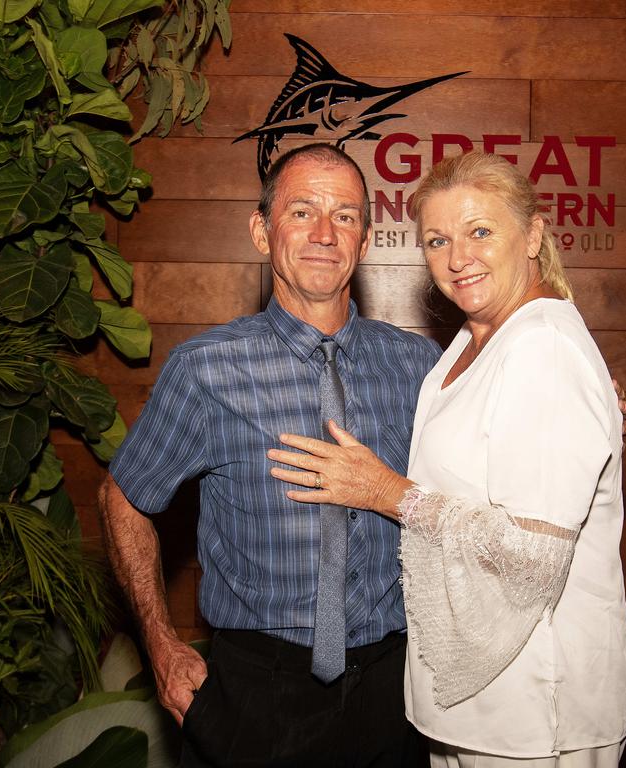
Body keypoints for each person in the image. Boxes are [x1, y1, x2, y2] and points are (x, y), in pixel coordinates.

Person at [268, 151, 626, 767]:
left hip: (537, 707)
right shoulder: (470, 341)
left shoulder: (541, 346)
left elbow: (532, 554)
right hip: (474, 699)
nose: (458, 257)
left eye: (481, 232)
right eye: (437, 239)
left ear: (534, 236)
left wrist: (385, 492)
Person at [99, 143, 442, 767]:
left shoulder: (417, 366)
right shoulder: (207, 370)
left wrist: (590, 410)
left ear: (364, 240)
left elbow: (499, 442)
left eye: (345, 215)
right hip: (256, 697)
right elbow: (123, 497)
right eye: (302, 211)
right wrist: (161, 645)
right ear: (262, 231)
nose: (324, 233)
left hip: (394, 693)